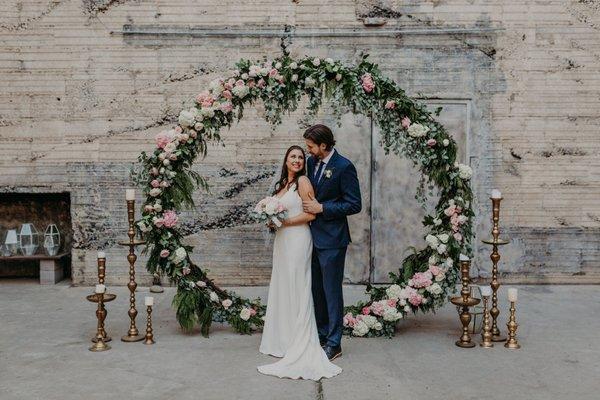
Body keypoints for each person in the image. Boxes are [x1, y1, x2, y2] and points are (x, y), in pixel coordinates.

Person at [257, 145, 342, 380]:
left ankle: (299, 338)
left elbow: (311, 214)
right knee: (283, 284)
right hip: (282, 242)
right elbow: (278, 215)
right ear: (285, 160)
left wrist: (284, 223)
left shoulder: (303, 182)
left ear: (304, 163)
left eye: (300, 157)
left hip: (298, 239)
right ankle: (281, 338)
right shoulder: (282, 186)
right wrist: (271, 220)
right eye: (292, 157)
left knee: (297, 284)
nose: (296, 160)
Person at [302, 124, 362, 361]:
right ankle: (321, 334)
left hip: (333, 240)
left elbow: (354, 204)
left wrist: (322, 208)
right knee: (316, 290)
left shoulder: (344, 167)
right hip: (310, 238)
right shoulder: (311, 163)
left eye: (311, 146)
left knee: (331, 291)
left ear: (323, 146)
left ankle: (334, 343)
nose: (308, 150)